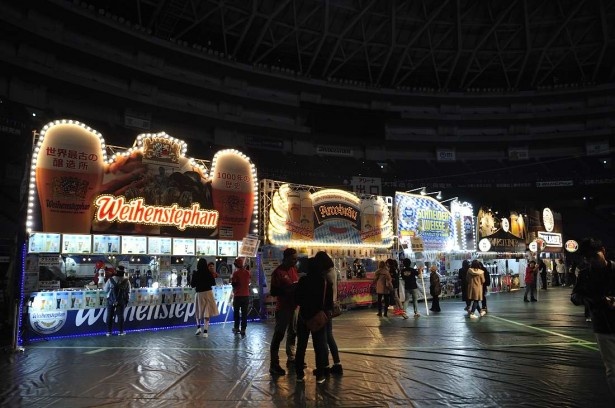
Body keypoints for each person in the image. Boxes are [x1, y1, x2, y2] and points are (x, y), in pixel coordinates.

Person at [570, 237, 615, 397]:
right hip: (603, 326)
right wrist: (592, 301)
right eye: (588, 258)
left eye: (594, 256)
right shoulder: (585, 274)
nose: (592, 261)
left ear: (603, 251)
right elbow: (575, 296)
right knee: (612, 370)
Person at [295, 256, 332, 384]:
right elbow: (328, 303)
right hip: (318, 318)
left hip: (303, 317)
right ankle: (320, 374)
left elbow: (297, 299)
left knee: (301, 346)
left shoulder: (302, 280)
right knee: (319, 346)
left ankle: (299, 374)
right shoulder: (325, 282)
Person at [269, 248, 299, 376]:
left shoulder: (293, 270)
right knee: (279, 335)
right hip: (283, 309)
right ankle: (274, 364)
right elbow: (273, 291)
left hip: (294, 307)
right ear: (286, 258)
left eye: (296, 258)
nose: (295, 260)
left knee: (293, 332)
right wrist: (288, 290)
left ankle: (291, 357)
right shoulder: (278, 272)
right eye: (293, 258)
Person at [315, 251, 343, 376]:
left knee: (324, 337)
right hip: (331, 306)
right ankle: (336, 364)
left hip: (325, 306)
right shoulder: (333, 271)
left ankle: (326, 365)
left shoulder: (326, 274)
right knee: (328, 336)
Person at [191, 258, 219, 338]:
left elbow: (192, 285)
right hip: (208, 293)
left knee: (198, 311)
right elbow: (213, 283)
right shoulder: (209, 273)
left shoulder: (195, 273)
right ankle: (205, 332)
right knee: (207, 312)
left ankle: (199, 328)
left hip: (199, 294)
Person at [104, 265, 131, 336]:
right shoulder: (126, 281)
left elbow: (105, 290)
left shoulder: (111, 279)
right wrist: (127, 300)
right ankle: (120, 331)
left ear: (116, 271)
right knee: (120, 316)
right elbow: (128, 292)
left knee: (109, 315)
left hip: (111, 300)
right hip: (121, 301)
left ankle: (109, 332)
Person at [231, 257, 251, 338]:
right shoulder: (247, 272)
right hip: (246, 295)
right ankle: (243, 329)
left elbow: (234, 284)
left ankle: (236, 328)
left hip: (238, 296)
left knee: (236, 313)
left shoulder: (236, 273)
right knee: (244, 314)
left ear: (236, 265)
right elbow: (249, 282)